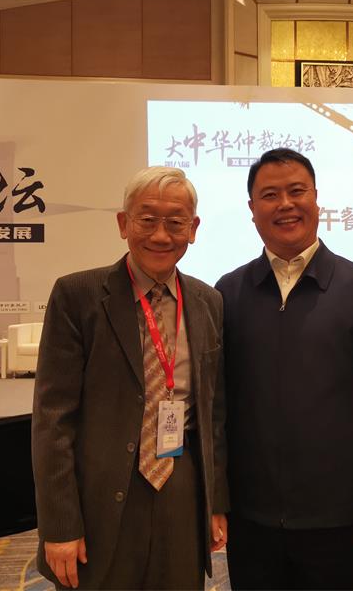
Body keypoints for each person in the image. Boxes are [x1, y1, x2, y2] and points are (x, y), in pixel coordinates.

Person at [215, 148, 353, 590]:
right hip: (251, 515)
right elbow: (218, 407)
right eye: (270, 195)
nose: (285, 204)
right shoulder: (229, 291)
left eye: (296, 191)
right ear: (252, 210)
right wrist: (216, 500)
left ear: (317, 200)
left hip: (337, 514)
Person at [31, 166, 228, 590]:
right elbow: (53, 419)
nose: (161, 235)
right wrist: (60, 525)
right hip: (98, 494)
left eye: (175, 223)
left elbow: (213, 414)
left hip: (181, 486)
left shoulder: (208, 301)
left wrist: (215, 503)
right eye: (147, 219)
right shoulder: (77, 296)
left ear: (193, 229)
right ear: (124, 224)